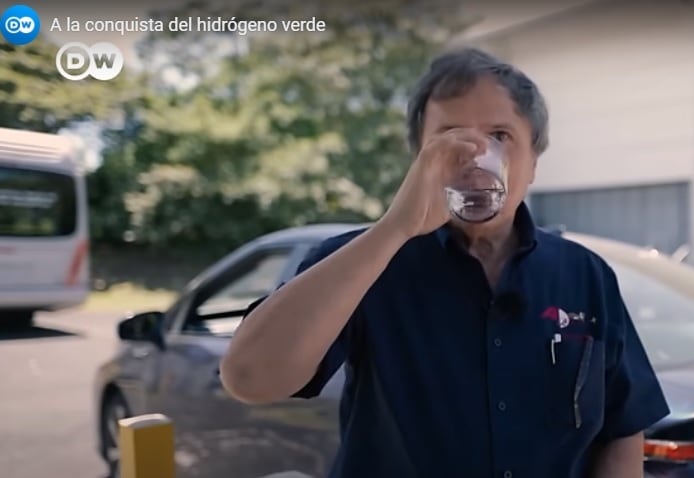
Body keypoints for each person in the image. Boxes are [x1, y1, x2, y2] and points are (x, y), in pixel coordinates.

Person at [220, 47, 670, 478]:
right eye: (450, 138)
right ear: (419, 158)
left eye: (500, 137)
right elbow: (249, 378)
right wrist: (395, 228)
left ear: (533, 162)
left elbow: (621, 427)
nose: (476, 159)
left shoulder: (585, 275)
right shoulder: (364, 263)